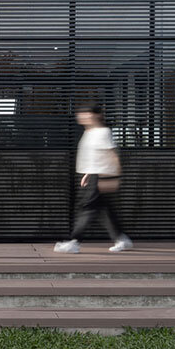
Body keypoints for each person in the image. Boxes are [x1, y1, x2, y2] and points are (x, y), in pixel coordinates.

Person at [54, 103, 133, 254]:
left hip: (101, 175)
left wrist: (114, 176)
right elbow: (94, 157)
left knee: (87, 208)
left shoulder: (103, 132)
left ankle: (74, 242)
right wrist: (87, 174)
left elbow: (112, 154)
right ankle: (121, 239)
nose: (82, 116)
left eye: (86, 113)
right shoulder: (89, 132)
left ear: (96, 115)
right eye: (81, 114)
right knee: (103, 209)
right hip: (93, 175)